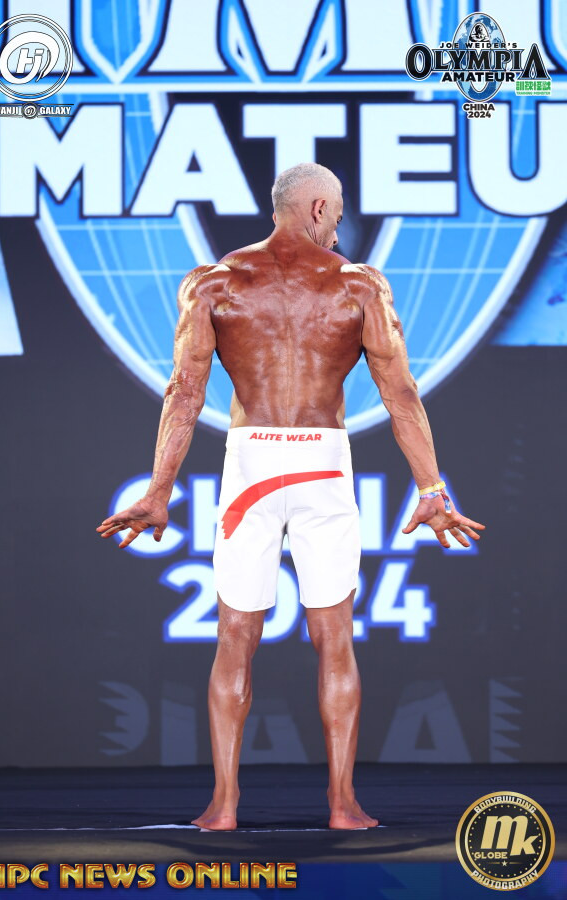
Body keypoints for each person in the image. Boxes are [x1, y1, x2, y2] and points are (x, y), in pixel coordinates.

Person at [96, 163, 485, 831]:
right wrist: (430, 487)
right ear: (316, 208)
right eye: (336, 214)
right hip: (322, 466)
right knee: (334, 638)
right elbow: (400, 394)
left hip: (250, 466)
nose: (338, 228)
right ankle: (342, 805)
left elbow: (184, 393)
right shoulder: (358, 285)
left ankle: (223, 807)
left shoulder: (215, 282)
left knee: (234, 636)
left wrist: (160, 490)